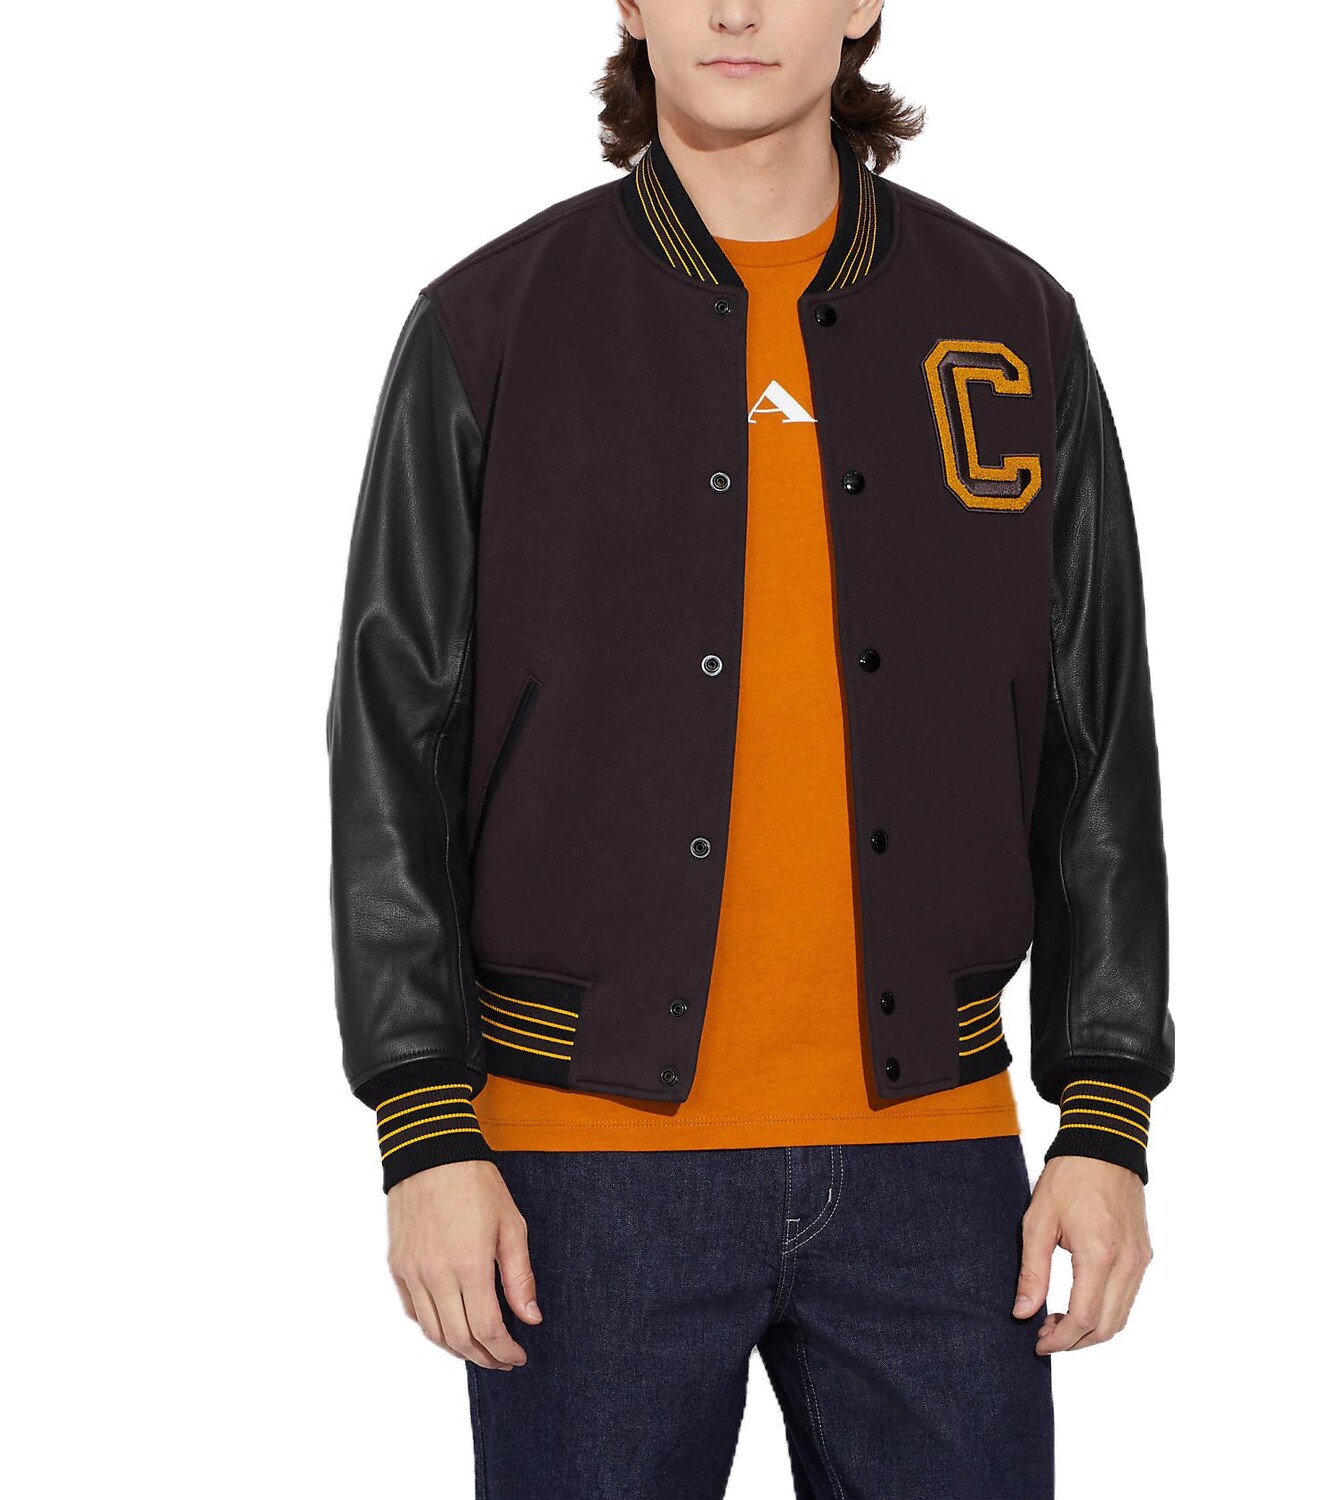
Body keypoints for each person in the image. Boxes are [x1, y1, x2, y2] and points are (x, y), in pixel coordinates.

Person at [325, 4, 1175, 1496]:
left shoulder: (1013, 320)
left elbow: (1096, 733)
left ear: (860, 4)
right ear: (629, 4)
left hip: (937, 1169)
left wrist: (1105, 1119)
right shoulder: (492, 323)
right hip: (579, 1173)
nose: (735, 8)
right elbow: (393, 737)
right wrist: (424, 1125)